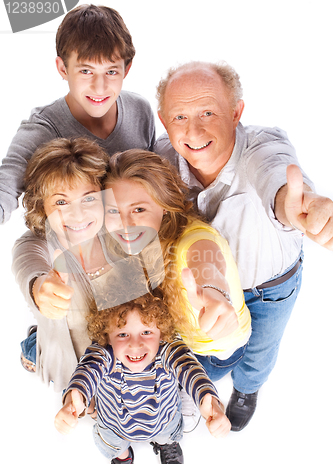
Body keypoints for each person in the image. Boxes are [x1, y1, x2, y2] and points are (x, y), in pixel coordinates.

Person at [154, 61, 333, 431]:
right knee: (204, 350)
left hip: (268, 290)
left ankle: (248, 390)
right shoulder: (159, 163)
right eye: (180, 116)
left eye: (208, 112)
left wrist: (299, 206)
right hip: (202, 294)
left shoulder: (262, 145)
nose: (194, 129)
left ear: (236, 113)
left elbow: (276, 174)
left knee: (259, 356)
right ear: (162, 119)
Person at [55, 292, 230, 464]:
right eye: (122, 334)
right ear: (107, 335)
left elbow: (188, 367)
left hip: (163, 419)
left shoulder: (167, 350)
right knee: (116, 445)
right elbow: (88, 370)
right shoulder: (104, 354)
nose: (135, 344)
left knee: (167, 432)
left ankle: (166, 444)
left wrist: (207, 397)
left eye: (146, 332)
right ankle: (122, 460)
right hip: (114, 426)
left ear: (162, 332)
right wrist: (73, 399)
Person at [103, 149, 251, 387]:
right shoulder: (140, 241)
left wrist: (214, 291)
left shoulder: (194, 240)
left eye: (138, 209)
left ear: (164, 205)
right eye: (113, 211)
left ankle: (246, 390)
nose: (124, 225)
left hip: (216, 352)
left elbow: (206, 261)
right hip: (181, 342)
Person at [0, 4, 155, 225]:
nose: (99, 87)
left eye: (111, 71)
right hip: (71, 247)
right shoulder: (44, 128)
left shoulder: (140, 110)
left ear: (126, 69)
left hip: (128, 241)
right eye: (86, 71)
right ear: (63, 69)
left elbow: (151, 181)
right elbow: (5, 185)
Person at [15, 137, 113, 391]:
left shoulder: (120, 232)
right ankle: (32, 349)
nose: (77, 214)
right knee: (40, 347)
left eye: (89, 198)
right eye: (60, 202)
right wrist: (40, 290)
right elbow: (28, 267)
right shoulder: (35, 243)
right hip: (69, 357)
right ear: (43, 206)